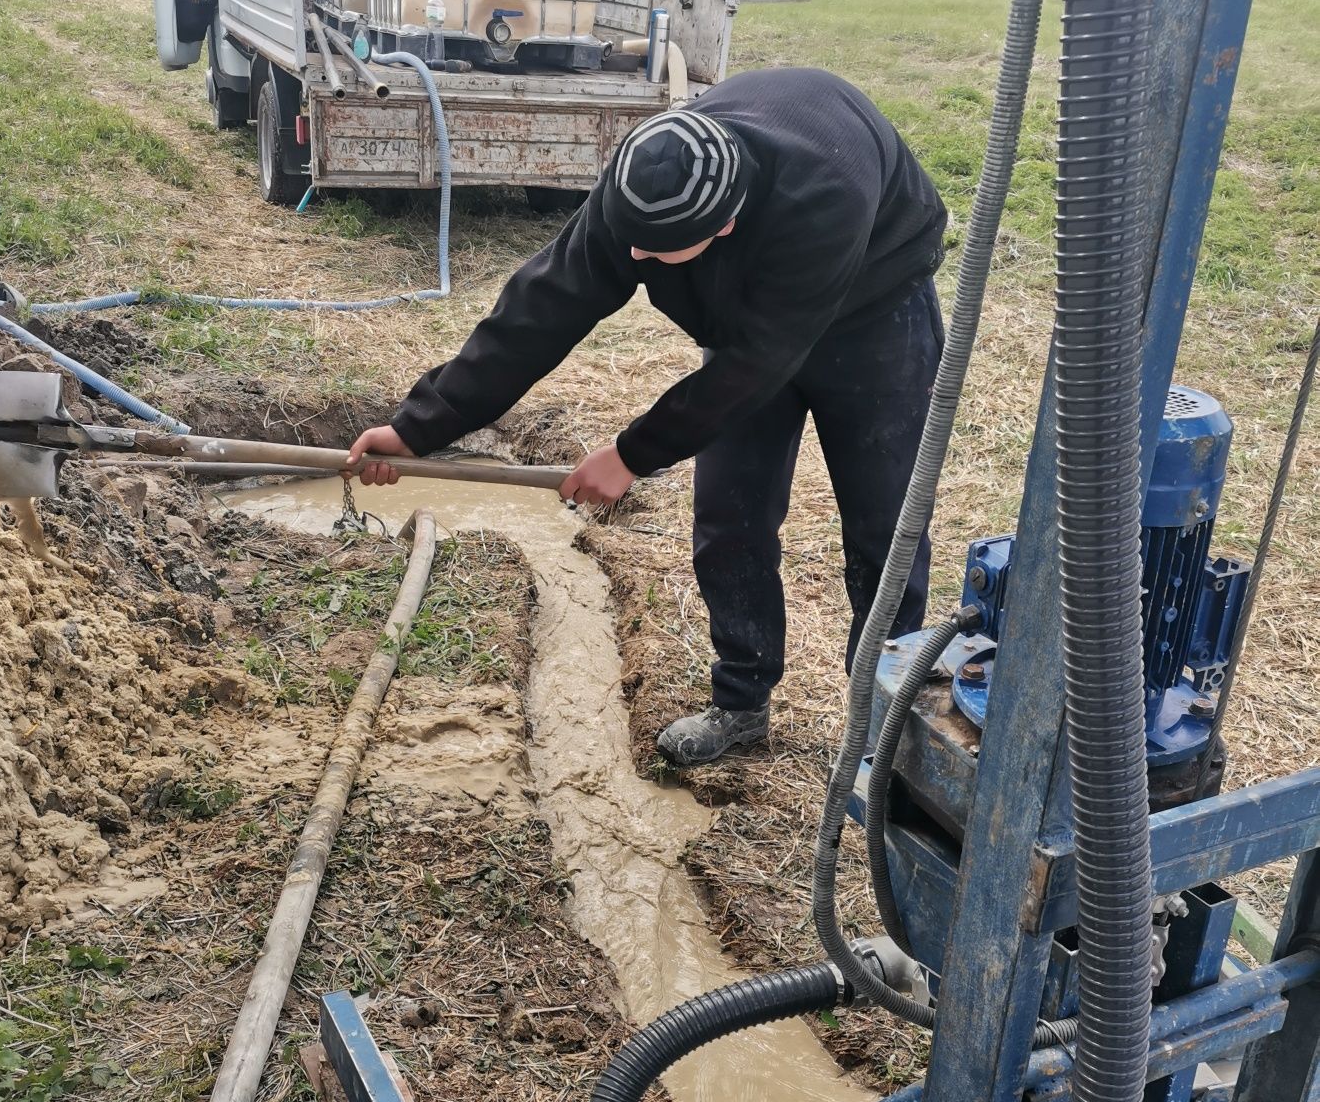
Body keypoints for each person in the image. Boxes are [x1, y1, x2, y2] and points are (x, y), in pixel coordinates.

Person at [345, 69, 948, 767]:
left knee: (884, 528)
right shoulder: (648, 180)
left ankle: (884, 729)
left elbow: (753, 366)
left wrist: (632, 454)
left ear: (722, 225)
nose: (632, 259)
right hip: (754, 323)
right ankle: (741, 704)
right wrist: (422, 424)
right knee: (730, 517)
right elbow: (544, 307)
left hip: (877, 308)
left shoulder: (823, 198)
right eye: (628, 241)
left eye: (653, 253)